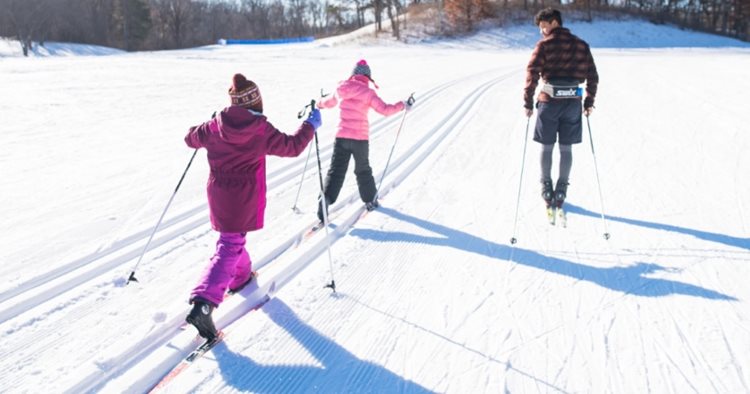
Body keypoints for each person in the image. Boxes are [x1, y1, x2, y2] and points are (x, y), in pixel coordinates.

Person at [184, 73, 321, 340]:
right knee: (230, 244)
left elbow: (190, 139)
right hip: (243, 196)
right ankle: (204, 302)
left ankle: (240, 277)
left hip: (219, 193)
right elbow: (292, 147)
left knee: (232, 239)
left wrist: (207, 124)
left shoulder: (215, 126)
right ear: (256, 102)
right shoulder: (260, 129)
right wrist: (310, 125)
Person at [315, 59, 414, 222]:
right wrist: (403, 105)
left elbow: (329, 102)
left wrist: (319, 103)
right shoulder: (369, 93)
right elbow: (385, 110)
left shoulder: (342, 88)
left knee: (336, 170)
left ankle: (325, 199)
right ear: (368, 77)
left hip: (341, 137)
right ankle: (370, 200)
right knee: (363, 170)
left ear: (353, 74)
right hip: (360, 139)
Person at [524, 7, 599, 214]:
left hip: (549, 103)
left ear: (554, 22)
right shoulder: (582, 46)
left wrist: (528, 102)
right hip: (572, 104)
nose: (542, 31)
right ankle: (561, 190)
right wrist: (588, 102)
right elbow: (593, 76)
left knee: (546, 147)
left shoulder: (544, 45)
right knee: (566, 148)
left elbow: (532, 73)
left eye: (543, 26)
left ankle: (546, 188)